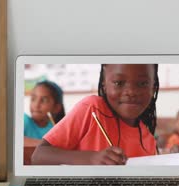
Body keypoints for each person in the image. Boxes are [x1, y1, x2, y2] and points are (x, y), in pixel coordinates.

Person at [31, 64, 159, 165]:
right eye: (118, 83)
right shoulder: (92, 109)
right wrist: (91, 158)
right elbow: (38, 156)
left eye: (143, 83)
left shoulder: (148, 140)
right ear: (104, 86)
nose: (131, 92)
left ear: (153, 88)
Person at [24, 80, 65, 145]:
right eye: (33, 99)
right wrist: (47, 145)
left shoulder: (57, 129)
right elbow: (16, 140)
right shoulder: (23, 120)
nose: (36, 105)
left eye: (44, 100)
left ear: (56, 108)